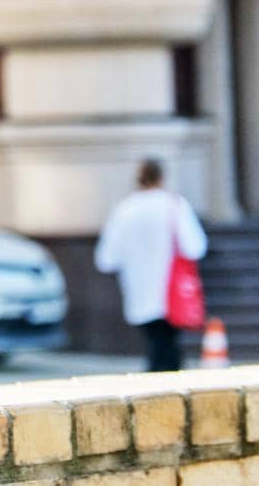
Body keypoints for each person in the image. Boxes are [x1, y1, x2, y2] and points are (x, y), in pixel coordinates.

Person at [93, 158, 210, 372]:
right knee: (168, 347)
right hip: (171, 290)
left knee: (156, 344)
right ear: (162, 178)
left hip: (138, 290)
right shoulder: (174, 205)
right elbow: (195, 246)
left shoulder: (125, 209)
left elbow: (106, 258)